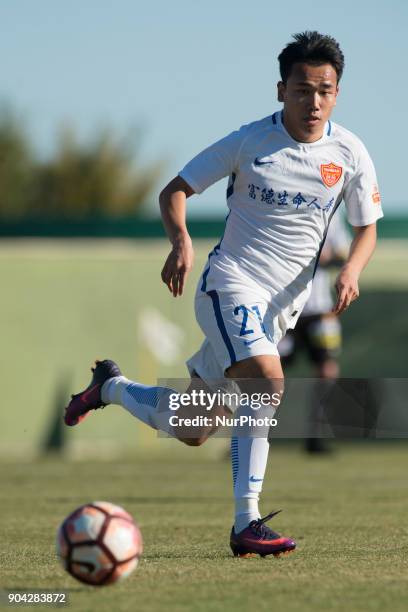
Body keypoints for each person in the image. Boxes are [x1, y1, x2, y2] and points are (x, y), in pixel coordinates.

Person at [64, 31, 383, 558]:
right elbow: (176, 191)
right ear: (281, 90)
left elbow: (367, 226)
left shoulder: (350, 153)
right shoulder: (249, 142)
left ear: (337, 94)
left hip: (281, 309)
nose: (314, 101)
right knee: (267, 384)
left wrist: (351, 268)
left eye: (325, 90)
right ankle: (246, 522)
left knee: (191, 426)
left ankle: (112, 387)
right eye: (303, 89)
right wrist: (181, 240)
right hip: (230, 284)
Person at [277, 212, 350, 453]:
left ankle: (314, 435)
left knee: (326, 370)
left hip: (319, 309)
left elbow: (343, 254)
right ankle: (250, 434)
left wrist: (327, 258)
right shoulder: (282, 207)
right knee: (269, 374)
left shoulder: (332, 215)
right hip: (283, 309)